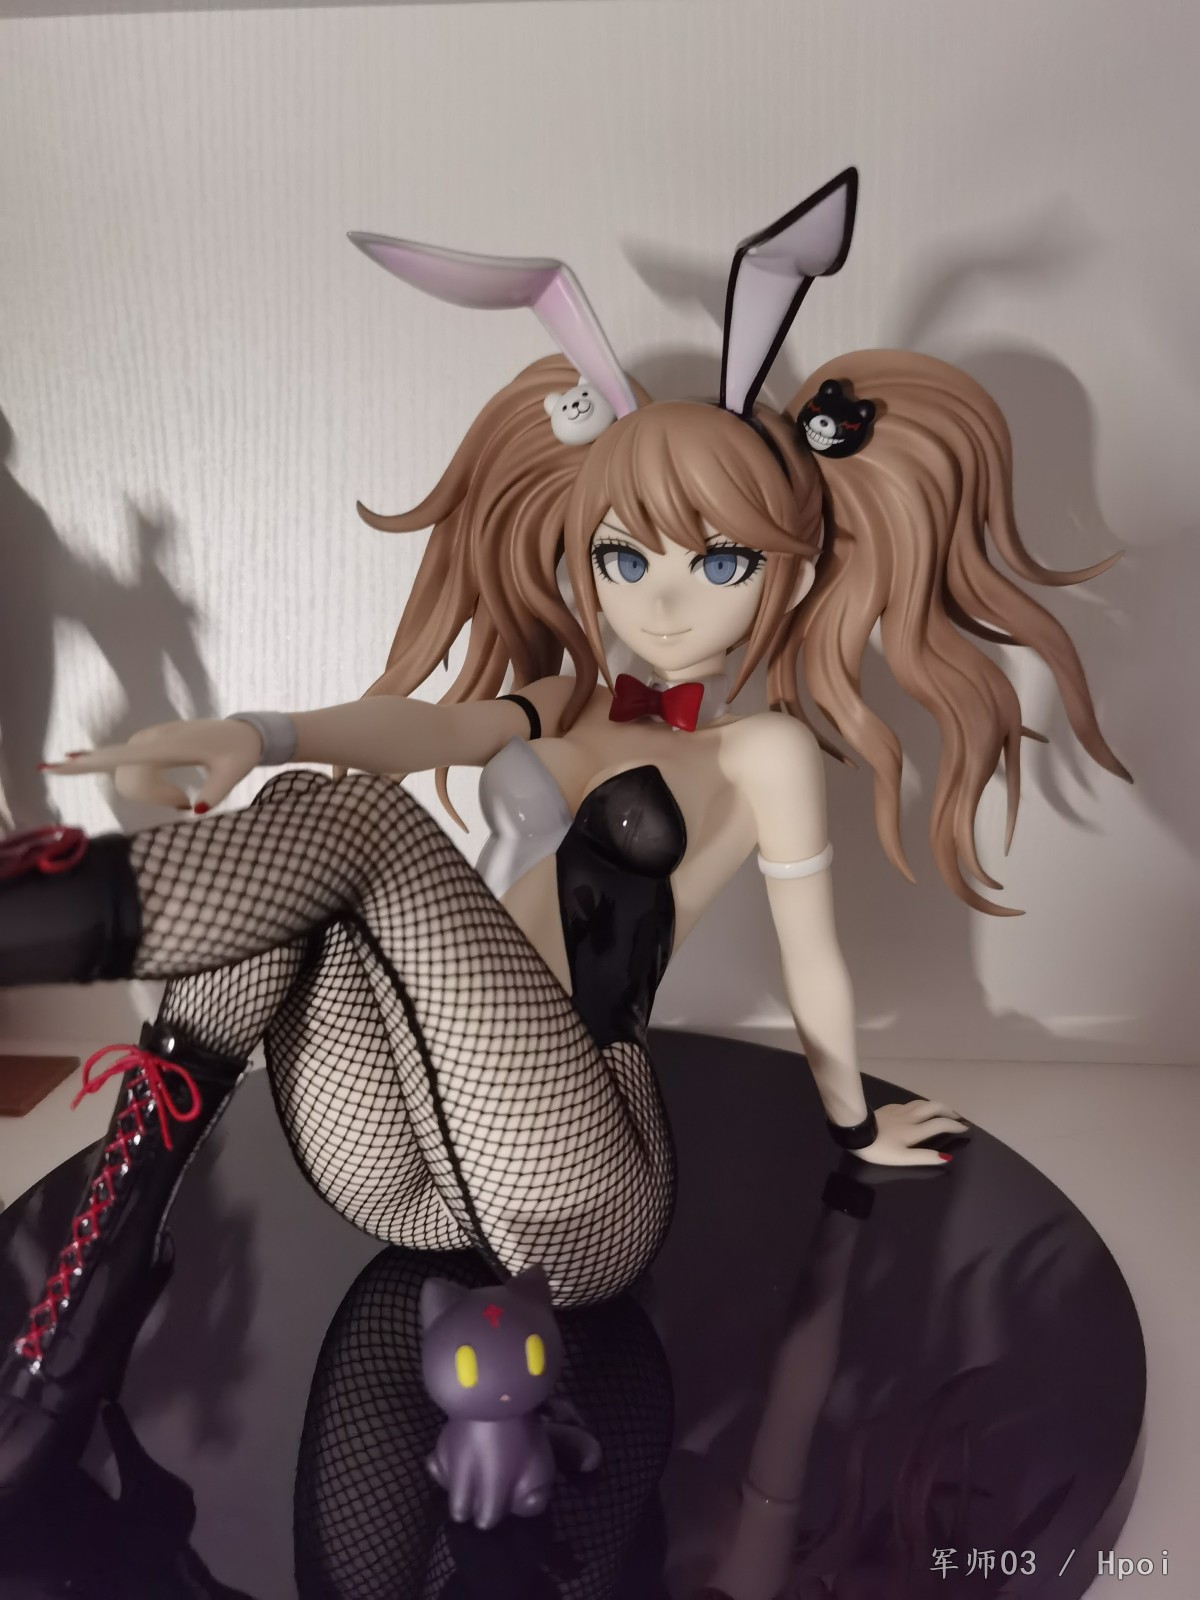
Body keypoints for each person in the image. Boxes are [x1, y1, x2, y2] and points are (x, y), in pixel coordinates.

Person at [0, 171, 1126, 1496]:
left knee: (352, 823)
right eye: (622, 557)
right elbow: (423, 731)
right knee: (309, 803)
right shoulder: (565, 698)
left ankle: (38, 925)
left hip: (578, 1179)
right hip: (397, 1163)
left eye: (717, 563)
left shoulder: (758, 752)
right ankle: (101, 1275)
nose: (661, 602)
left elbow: (815, 961)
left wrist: (849, 1123)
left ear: (795, 570)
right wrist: (263, 731)